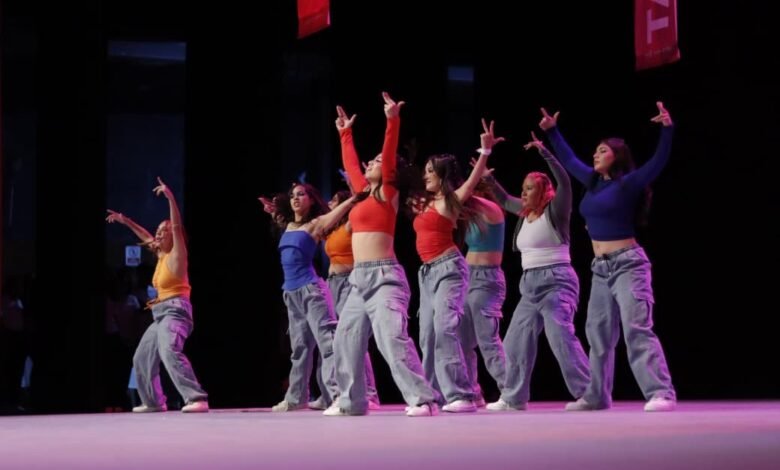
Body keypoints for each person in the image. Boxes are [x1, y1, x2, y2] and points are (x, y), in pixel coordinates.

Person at [540, 102, 677, 412]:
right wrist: (553, 131)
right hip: (600, 268)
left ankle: (661, 392)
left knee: (636, 328)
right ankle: (597, 395)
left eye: (602, 151)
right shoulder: (591, 183)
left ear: (617, 156)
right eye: (595, 151)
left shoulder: (628, 184)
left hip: (629, 264)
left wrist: (667, 129)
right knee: (597, 333)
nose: (595, 155)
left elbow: (658, 162)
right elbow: (569, 159)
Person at [326, 92, 439, 417]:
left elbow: (388, 157)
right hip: (358, 280)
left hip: (384, 277)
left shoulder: (388, 192)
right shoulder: (363, 195)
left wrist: (393, 121)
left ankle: (423, 400)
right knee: (345, 339)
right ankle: (352, 402)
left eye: (376, 161)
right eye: (371, 160)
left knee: (391, 339)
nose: (372, 163)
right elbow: (351, 165)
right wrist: (345, 133)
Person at [481, 132, 590, 411]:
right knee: (515, 341)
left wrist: (545, 151)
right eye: (523, 187)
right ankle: (513, 398)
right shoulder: (524, 211)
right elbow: (504, 199)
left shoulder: (556, 210)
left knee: (560, 336)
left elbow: (565, 181)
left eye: (529, 188)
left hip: (557, 280)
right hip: (529, 285)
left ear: (544, 191)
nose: (523, 192)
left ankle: (589, 393)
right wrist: (487, 176)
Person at [411, 119, 503, 413]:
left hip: (449, 269)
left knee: (445, 329)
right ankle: (431, 396)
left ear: (443, 175)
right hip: (426, 273)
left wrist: (485, 151)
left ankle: (462, 394)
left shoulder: (451, 201)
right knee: (427, 335)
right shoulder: (424, 203)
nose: (425, 175)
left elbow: (472, 181)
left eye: (430, 171)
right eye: (425, 170)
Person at [106, 177, 209, 413]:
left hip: (176, 311)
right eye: (158, 231)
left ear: (174, 236)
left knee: (169, 349)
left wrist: (171, 198)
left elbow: (176, 226)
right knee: (142, 357)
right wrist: (125, 221)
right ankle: (154, 401)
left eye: (164, 231)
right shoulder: (161, 255)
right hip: (160, 314)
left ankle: (197, 398)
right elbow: (145, 237)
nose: (159, 234)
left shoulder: (177, 254)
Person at [258, 182, 357, 412]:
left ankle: (338, 395)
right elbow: (279, 216)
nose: (295, 198)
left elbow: (340, 210)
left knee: (328, 343)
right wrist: (273, 210)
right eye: (293, 195)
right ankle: (296, 398)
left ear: (311, 200)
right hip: (291, 293)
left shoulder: (316, 225)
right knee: (300, 348)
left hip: (312, 292)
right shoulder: (288, 225)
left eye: (301, 195)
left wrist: (354, 196)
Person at [307, 189, 381, 411]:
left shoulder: (349, 225)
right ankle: (330, 392)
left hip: (349, 282)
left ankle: (369, 394)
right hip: (333, 284)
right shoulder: (330, 231)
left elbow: (359, 207)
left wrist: (356, 193)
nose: (330, 203)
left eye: (334, 200)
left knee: (354, 337)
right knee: (335, 339)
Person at [458, 181, 508, 407]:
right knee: (462, 341)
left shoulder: (494, 212)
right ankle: (472, 392)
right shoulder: (472, 218)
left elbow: (466, 196)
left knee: (488, 338)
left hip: (486, 279)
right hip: (467, 278)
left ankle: (509, 391)